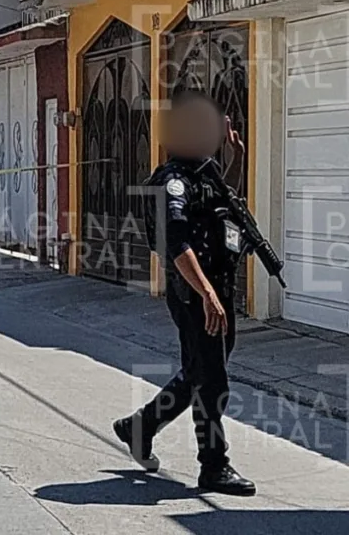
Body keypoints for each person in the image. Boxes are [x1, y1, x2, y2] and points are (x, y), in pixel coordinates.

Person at [112, 90, 256, 497]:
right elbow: (176, 243)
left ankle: (140, 426)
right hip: (195, 293)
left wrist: (237, 157)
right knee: (212, 380)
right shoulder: (172, 181)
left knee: (199, 371)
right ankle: (214, 466)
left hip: (216, 290)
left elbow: (225, 201)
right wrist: (207, 294)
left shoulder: (203, 173)